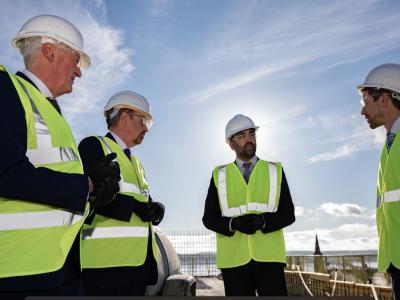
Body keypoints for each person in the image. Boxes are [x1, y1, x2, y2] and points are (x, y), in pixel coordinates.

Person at [0, 15, 120, 298]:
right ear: (49, 51)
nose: (78, 72)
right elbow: (6, 174)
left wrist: (92, 200)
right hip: (18, 274)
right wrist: (87, 185)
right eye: (75, 60)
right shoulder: (6, 90)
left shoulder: (46, 108)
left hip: (57, 270)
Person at [78, 90, 165, 296]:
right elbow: (92, 196)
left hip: (137, 265)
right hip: (105, 266)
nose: (147, 128)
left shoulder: (136, 163)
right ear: (124, 117)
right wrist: (134, 208)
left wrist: (155, 208)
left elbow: (142, 200)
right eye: (144, 121)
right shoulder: (94, 145)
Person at [202, 114, 295, 296]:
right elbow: (209, 218)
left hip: (269, 259)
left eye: (251, 134)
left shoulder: (275, 170)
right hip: (233, 261)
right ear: (232, 144)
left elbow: (288, 214)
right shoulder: (218, 174)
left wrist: (263, 222)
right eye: (242, 136)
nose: (249, 140)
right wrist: (233, 224)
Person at [359, 63, 400, 300]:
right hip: (395, 261)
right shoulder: (389, 145)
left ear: (383, 99)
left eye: (366, 102)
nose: (363, 111)